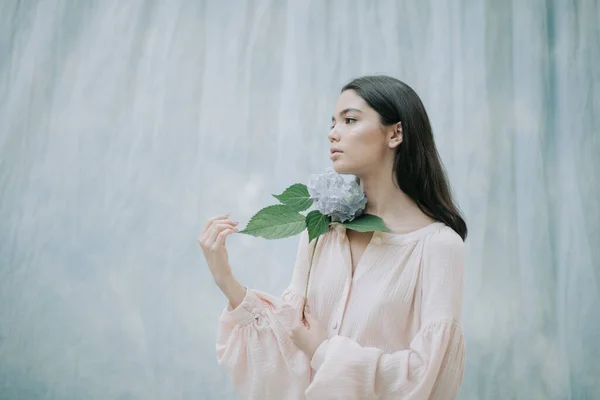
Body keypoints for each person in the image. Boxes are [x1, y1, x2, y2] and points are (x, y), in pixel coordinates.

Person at [198, 75, 468, 399]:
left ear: (395, 133)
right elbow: (290, 348)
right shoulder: (322, 231)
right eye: (333, 122)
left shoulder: (438, 246)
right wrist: (225, 279)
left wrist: (325, 352)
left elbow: (429, 378)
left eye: (350, 120)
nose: (332, 133)